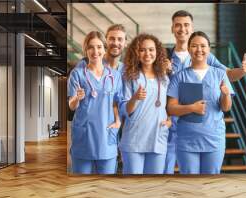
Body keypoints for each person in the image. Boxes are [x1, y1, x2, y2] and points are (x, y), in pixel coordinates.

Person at [164, 10, 246, 174]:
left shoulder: (208, 59)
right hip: (172, 125)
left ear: (192, 27)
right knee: (167, 172)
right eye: (178, 25)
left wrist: (242, 71)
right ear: (172, 28)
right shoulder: (164, 56)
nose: (182, 29)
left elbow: (229, 74)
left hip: (207, 129)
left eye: (186, 25)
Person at [167, 31, 234, 174]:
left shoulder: (220, 74)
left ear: (209, 49)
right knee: (190, 186)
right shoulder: (180, 76)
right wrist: (191, 108)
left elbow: (226, 107)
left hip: (214, 139)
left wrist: (226, 95)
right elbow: (171, 108)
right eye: (194, 46)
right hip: (187, 141)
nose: (199, 50)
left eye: (203, 46)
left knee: (210, 184)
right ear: (189, 49)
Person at [68, 31, 122, 174]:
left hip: (106, 136)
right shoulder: (77, 74)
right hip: (84, 137)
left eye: (99, 47)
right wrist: (76, 98)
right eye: (91, 47)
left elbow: (117, 102)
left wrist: (118, 122)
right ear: (86, 50)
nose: (95, 51)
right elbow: (71, 106)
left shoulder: (114, 76)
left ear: (105, 49)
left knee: (107, 187)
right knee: (81, 186)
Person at [119, 34, 171, 174]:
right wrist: (135, 98)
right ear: (136, 53)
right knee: (133, 187)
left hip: (157, 137)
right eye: (142, 50)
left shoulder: (164, 77)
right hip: (134, 139)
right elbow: (125, 110)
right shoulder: (130, 76)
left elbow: (170, 104)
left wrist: (170, 120)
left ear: (157, 52)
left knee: (154, 187)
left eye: (151, 50)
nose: (147, 53)